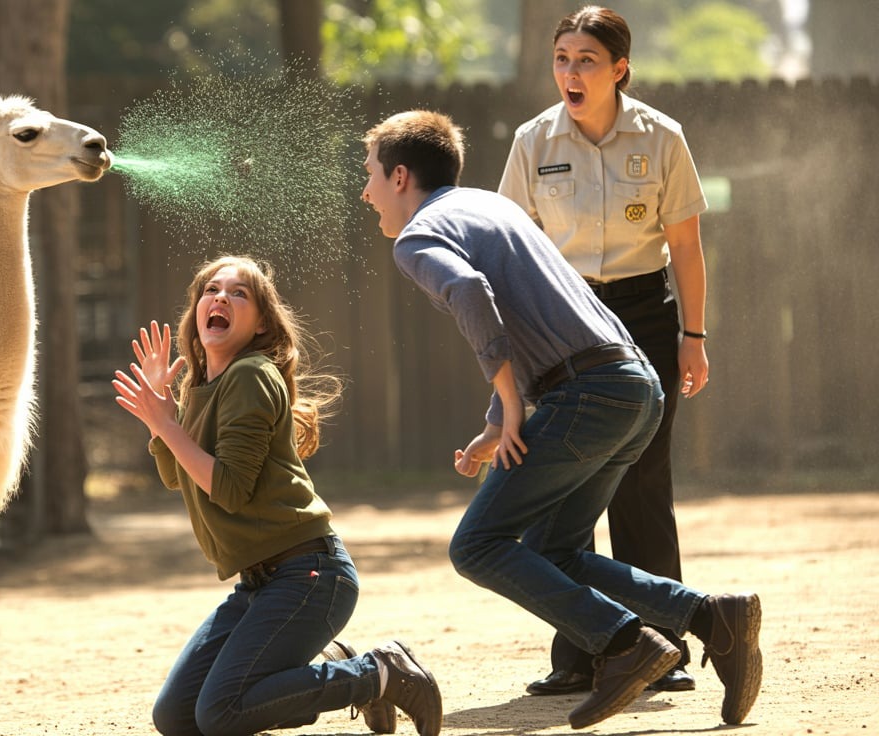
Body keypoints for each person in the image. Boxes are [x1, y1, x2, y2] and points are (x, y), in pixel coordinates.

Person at [359, 109, 760, 729]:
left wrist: (513, 402)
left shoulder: (418, 237)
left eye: (371, 176)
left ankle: (626, 644)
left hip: (586, 394)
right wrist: (499, 420)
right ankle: (713, 618)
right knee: (560, 551)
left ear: (402, 176)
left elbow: (470, 293)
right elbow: (529, 309)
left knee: (477, 545)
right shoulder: (491, 209)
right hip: (634, 387)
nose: (367, 191)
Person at [111, 255, 443, 736]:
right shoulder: (203, 388)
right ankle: (334, 662)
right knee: (177, 718)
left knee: (221, 713)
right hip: (260, 585)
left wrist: (166, 423)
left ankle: (378, 672)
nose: (220, 297)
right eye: (210, 289)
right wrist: (160, 420)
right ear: (197, 312)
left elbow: (227, 488)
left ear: (262, 322)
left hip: (309, 576)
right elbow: (176, 476)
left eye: (238, 293)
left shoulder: (251, 374)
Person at [497, 5, 711, 694]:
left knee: (643, 479)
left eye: (585, 59)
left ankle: (664, 651)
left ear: (619, 68)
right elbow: (510, 251)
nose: (570, 72)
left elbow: (684, 246)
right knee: (565, 480)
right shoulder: (533, 140)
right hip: (561, 320)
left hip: (644, 316)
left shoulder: (663, 137)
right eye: (562, 59)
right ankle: (583, 656)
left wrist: (693, 338)